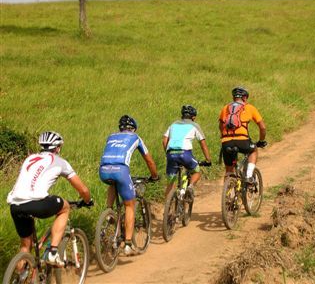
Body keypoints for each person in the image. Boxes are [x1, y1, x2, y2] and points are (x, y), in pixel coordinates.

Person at [7, 131, 92, 268]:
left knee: (25, 246)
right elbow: (83, 190)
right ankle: (52, 252)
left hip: (15, 205)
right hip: (37, 203)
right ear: (57, 148)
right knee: (64, 208)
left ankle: (21, 276)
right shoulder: (60, 162)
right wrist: (88, 200)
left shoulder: (30, 158)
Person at [99, 115, 159, 257]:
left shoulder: (111, 136)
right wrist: (155, 176)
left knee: (113, 183)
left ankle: (108, 213)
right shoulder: (136, 137)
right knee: (129, 205)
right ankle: (127, 244)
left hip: (103, 170)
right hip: (121, 170)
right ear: (133, 129)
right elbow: (149, 161)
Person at [219, 87, 267, 183]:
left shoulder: (225, 108)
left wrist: (226, 138)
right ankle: (249, 176)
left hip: (226, 142)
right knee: (253, 150)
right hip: (242, 140)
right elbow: (262, 127)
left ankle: (228, 194)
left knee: (228, 171)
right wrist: (261, 141)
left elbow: (220, 126)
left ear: (233, 98)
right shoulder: (249, 107)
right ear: (245, 98)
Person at [162, 105, 212, 199]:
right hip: (185, 154)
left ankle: (168, 210)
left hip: (171, 154)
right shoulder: (195, 125)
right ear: (193, 117)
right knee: (196, 171)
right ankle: (190, 187)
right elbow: (203, 144)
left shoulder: (173, 124)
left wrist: (168, 153)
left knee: (171, 183)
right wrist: (208, 160)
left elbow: (164, 141)